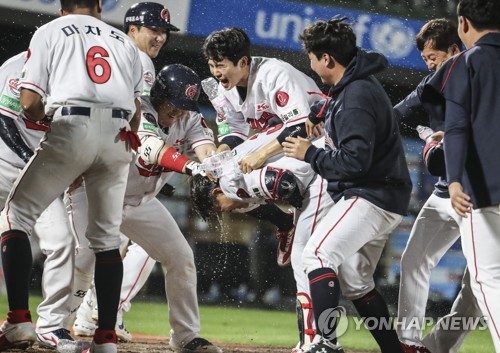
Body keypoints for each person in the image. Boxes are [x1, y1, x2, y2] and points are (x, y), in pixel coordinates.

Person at [0, 0, 143, 352]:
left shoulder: (50, 31)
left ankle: (19, 320)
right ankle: (106, 339)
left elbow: (30, 102)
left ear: (63, 9)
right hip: (119, 134)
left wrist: (65, 141)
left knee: (14, 217)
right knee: (107, 240)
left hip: (71, 122)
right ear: (98, 6)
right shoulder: (123, 41)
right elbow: (137, 111)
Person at [66, 64, 222, 353]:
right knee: (84, 258)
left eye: (184, 106)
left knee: (180, 257)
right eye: (173, 104)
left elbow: (205, 150)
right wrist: (193, 168)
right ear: (160, 94)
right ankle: (56, 326)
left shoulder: (189, 116)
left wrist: (212, 169)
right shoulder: (140, 109)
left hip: (140, 202)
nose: (179, 111)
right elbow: (151, 148)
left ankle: (185, 335)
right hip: (99, 192)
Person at [283, 17, 412, 353]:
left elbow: (354, 162)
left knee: (316, 254)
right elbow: (339, 106)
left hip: (371, 195)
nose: (309, 63)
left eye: (311, 56)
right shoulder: (355, 86)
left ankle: (326, 343)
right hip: (385, 196)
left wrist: (309, 153)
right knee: (356, 281)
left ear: (327, 58)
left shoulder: (355, 95)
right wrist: (318, 112)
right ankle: (393, 350)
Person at [72, 1, 180, 341]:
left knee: (92, 250)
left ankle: (84, 315)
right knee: (94, 250)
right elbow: (139, 119)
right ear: (131, 29)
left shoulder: (106, 48)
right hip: (111, 165)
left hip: (86, 152)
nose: (160, 37)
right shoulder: (140, 60)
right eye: (153, 29)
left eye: (164, 31)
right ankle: (90, 315)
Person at [393, 18, 481, 353]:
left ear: (455, 50)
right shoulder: (431, 83)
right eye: (426, 58)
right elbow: (394, 114)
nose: (429, 64)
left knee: (479, 286)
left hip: (478, 195)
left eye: (435, 57)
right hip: (445, 192)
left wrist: (444, 142)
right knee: (414, 260)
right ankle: (410, 343)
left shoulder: (478, 79)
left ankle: (439, 347)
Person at [423, 0, 500, 351]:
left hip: (484, 194)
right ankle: (436, 347)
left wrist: (453, 181)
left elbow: (456, 129)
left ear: (464, 23)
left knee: (488, 280)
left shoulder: (465, 63)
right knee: (478, 286)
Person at [0, 52, 89, 351]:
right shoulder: (17, 67)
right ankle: (18, 320)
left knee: (62, 242)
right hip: (4, 164)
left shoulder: (78, 78)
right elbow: (4, 122)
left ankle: (50, 326)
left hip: (41, 174)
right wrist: (36, 161)